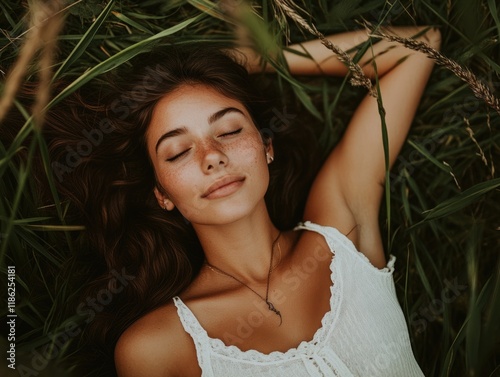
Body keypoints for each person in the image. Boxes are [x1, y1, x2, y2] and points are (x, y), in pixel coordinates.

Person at [17, 24, 439, 376]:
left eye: (231, 129)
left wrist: (246, 61)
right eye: (178, 151)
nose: (212, 156)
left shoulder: (343, 233)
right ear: (162, 194)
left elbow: (416, 49)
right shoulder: (157, 347)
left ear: (266, 146)